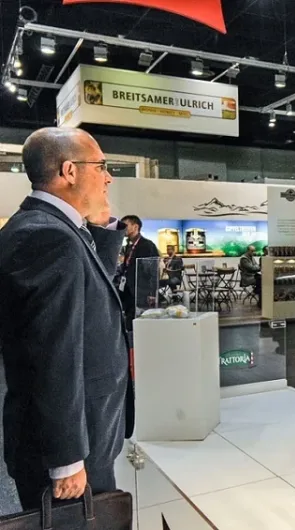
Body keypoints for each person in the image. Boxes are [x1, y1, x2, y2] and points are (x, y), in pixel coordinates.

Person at [0, 127, 131, 509]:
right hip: (70, 448)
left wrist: (101, 229)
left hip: (82, 436)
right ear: (69, 171)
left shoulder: (48, 228)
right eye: (101, 166)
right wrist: (66, 459)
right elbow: (53, 354)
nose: (108, 177)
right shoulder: (48, 237)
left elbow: (87, 294)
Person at [117, 214, 160, 329]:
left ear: (135, 227)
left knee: (139, 321)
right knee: (129, 319)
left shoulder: (147, 246)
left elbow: (153, 270)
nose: (123, 228)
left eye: (125, 225)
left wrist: (152, 292)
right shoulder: (128, 246)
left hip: (141, 290)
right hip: (128, 289)